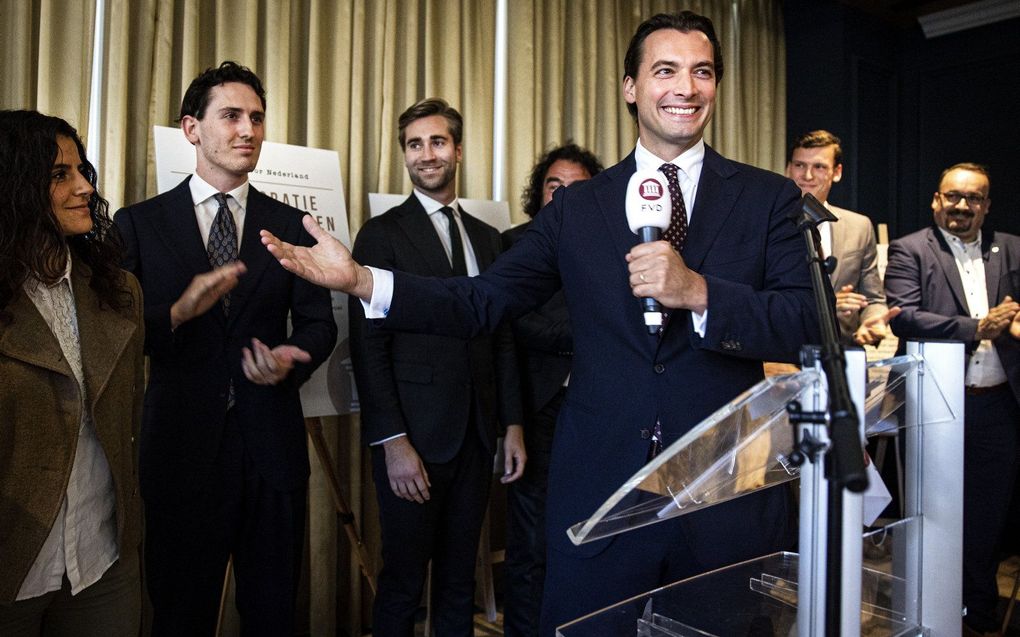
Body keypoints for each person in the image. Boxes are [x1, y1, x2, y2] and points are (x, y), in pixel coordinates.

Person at [262, 12, 819, 634]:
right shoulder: (578, 209)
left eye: (702, 72)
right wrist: (365, 282)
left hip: (726, 495)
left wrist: (697, 292)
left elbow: (806, 324)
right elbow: (481, 302)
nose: (685, 87)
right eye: (665, 70)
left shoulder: (769, 197)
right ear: (631, 86)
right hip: (602, 493)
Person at [114, 61, 337, 634]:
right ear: (192, 128)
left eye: (257, 118)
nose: (249, 131)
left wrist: (291, 356)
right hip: (180, 452)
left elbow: (319, 324)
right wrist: (177, 314)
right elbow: (116, 335)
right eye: (232, 116)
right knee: (179, 614)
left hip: (271, 450)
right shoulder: (138, 224)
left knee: (272, 614)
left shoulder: (292, 224)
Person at [349, 97, 525, 636]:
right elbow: (368, 347)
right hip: (414, 442)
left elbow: (502, 339)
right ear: (405, 154)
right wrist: (392, 441)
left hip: (476, 437)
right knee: (402, 580)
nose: (426, 154)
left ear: (458, 150)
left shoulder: (489, 239)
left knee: (458, 581)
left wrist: (512, 424)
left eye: (437, 142)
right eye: (414, 144)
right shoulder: (381, 235)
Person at [0, 110, 144, 635]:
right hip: (13, 562)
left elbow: (130, 414)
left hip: (101, 556)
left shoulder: (119, 290)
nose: (85, 187)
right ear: (14, 187)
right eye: (59, 175)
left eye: (82, 170)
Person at [885, 163, 1020, 637]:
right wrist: (977, 328)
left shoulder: (1013, 249)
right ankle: (924, 612)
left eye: (974, 198)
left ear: (986, 204)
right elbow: (905, 318)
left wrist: (1013, 325)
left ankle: (978, 616)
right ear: (936, 200)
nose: (963, 206)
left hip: (998, 406)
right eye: (953, 197)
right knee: (933, 514)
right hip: (938, 405)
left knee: (988, 518)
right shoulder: (910, 249)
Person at [500, 142, 603, 637]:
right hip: (535, 408)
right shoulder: (514, 243)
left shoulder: (615, 244)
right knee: (530, 543)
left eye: (576, 187)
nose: (563, 195)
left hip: (598, 409)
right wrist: (586, 332)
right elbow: (514, 324)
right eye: (553, 185)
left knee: (592, 538)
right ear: (539, 192)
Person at [787, 130, 898, 346]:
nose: (807, 176)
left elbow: (872, 298)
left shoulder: (859, 226)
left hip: (845, 357)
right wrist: (827, 305)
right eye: (799, 165)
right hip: (783, 358)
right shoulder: (767, 222)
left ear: (837, 172)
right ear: (788, 168)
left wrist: (873, 321)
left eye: (819, 167)